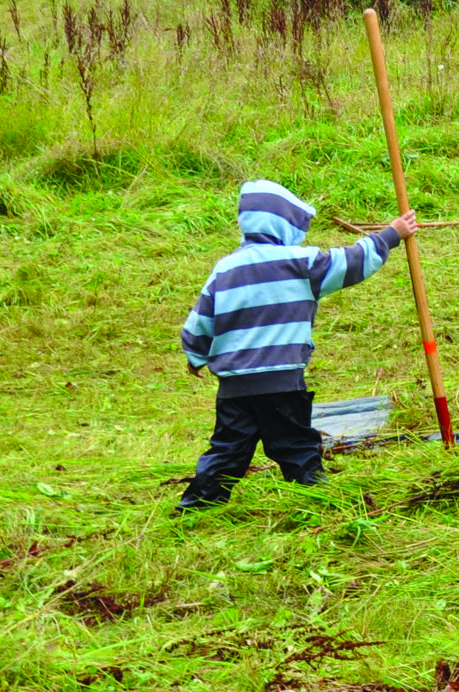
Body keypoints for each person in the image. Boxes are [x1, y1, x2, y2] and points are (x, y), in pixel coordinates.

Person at [177, 180, 419, 512]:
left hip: (235, 385)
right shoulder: (300, 262)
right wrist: (391, 234)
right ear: (285, 224)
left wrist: (195, 355)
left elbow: (201, 318)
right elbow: (351, 262)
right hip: (281, 381)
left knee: (228, 448)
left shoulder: (225, 268)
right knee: (295, 444)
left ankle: (196, 506)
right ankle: (313, 500)